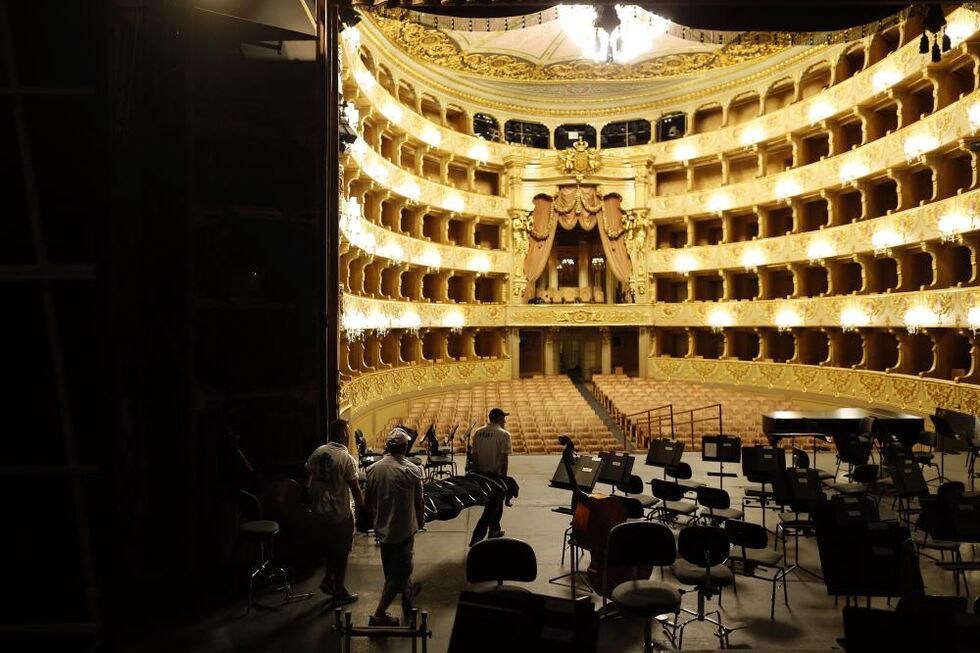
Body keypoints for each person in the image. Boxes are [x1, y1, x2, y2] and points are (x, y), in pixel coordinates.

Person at [366, 427, 425, 627]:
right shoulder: (412, 470)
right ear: (406, 446)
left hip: (382, 528)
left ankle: (407, 596)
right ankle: (379, 614)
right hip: (404, 528)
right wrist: (421, 520)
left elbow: (368, 500)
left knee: (393, 567)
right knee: (399, 571)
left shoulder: (373, 469)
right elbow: (419, 501)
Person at [306, 419, 364, 606]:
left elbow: (307, 478)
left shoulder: (318, 452)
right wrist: (364, 509)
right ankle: (339, 590)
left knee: (331, 548)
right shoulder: (346, 459)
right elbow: (355, 489)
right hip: (339, 514)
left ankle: (328, 579)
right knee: (342, 551)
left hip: (320, 512)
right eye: (348, 433)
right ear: (344, 435)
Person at [468, 408, 512, 547]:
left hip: (480, 475)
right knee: (491, 508)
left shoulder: (478, 433)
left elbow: (474, 457)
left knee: (496, 504)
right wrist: (504, 479)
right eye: (503, 418)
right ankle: (476, 539)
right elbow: (504, 459)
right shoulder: (504, 434)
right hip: (496, 476)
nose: (505, 420)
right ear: (498, 418)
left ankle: (495, 530)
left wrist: (475, 475)